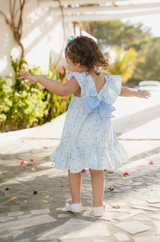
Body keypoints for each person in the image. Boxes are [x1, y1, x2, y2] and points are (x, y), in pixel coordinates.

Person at [17, 35, 151, 217]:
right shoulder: (104, 79)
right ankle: (98, 206)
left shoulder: (79, 79)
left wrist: (39, 78)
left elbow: (62, 90)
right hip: (101, 131)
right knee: (97, 170)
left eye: (68, 62)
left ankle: (76, 203)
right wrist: (137, 92)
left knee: (75, 166)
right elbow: (121, 90)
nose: (67, 66)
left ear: (78, 62)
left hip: (79, 130)